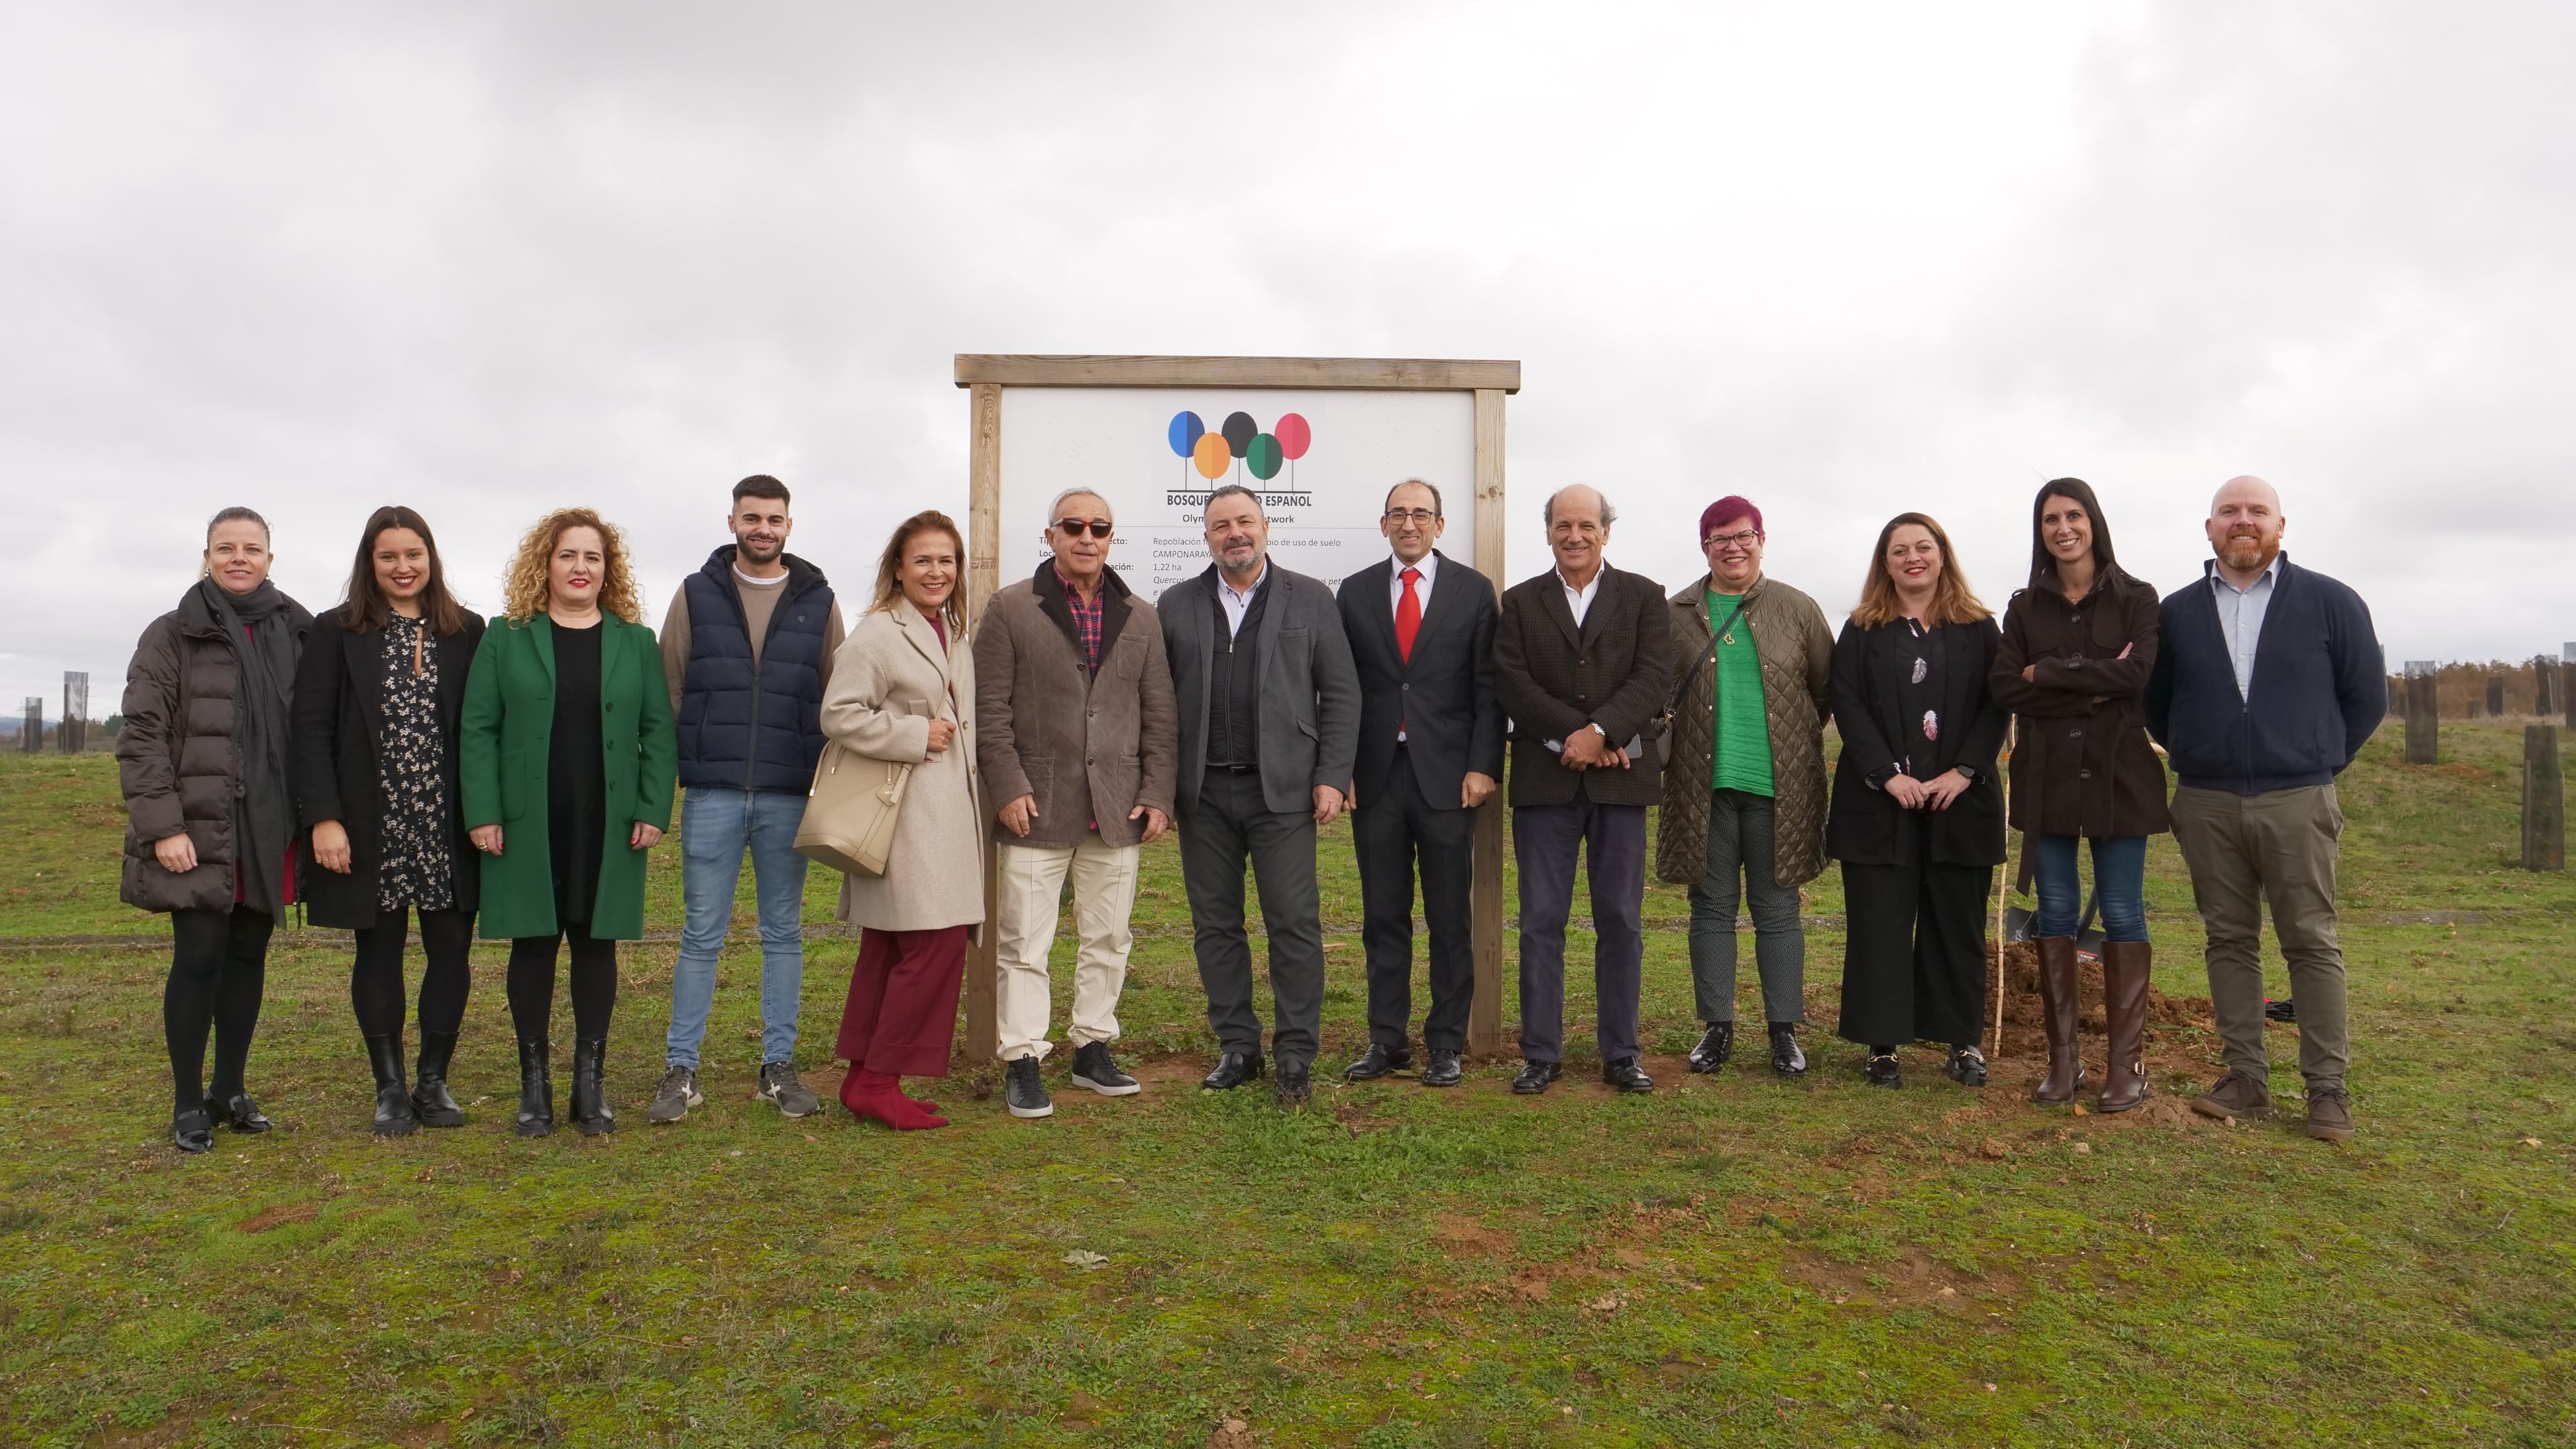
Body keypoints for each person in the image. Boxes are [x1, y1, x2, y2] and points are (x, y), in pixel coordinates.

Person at [2145, 476, 2384, 1142]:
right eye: (2229, 512)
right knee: (2228, 939)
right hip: (2207, 801)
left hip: (2297, 798)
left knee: (2311, 941)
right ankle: (2245, 1078)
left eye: (2256, 511)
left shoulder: (2330, 602)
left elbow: (2367, 698)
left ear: (2281, 525)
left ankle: (2327, 1092)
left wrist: (2315, 762)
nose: (2242, 521)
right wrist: (2201, 750)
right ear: (2209, 528)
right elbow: (2156, 702)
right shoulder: (2177, 613)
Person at [461, 508, 676, 1138]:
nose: (581, 568)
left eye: (593, 558)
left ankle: (591, 1083)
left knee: (594, 942)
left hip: (607, 820)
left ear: (608, 571)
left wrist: (652, 808)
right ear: (544, 565)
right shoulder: (506, 636)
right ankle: (535, 1086)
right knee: (532, 944)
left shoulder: (635, 641)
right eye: (568, 556)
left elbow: (657, 731)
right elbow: (478, 729)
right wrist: (484, 813)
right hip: (527, 820)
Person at [647, 475, 846, 1126]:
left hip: (789, 793)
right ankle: (682, 1070)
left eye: (775, 519)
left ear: (790, 525)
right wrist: (681, 772)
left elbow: (835, 698)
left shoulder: (819, 602)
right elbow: (669, 688)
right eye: (752, 517)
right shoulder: (695, 594)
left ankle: (777, 1067)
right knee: (701, 934)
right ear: (732, 520)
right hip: (711, 794)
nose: (764, 528)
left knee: (783, 932)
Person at [975, 489, 1177, 1118]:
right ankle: (1024, 1058)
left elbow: (1161, 716)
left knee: (1109, 937)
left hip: (1117, 808)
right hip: (1036, 804)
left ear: (1110, 537)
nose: (1087, 537)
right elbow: (989, 710)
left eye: (1100, 527)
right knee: (1024, 942)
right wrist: (1008, 785)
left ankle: (1092, 1047)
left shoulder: (1141, 616)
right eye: (1074, 526)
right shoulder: (1010, 608)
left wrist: (1157, 793)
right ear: (1052, 535)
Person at [118, 507, 312, 1153]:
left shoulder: (298, 628)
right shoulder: (172, 634)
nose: (238, 558)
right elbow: (141, 738)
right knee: (199, 956)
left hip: (269, 826)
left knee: (249, 955)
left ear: (269, 559)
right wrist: (163, 829)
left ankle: (229, 1088)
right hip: (197, 828)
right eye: (224, 548)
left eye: (251, 548)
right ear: (206, 556)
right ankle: (185, 1102)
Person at [1161, 483, 1360, 1106]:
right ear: (1207, 536)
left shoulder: (1311, 599)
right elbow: (1157, 705)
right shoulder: (1175, 604)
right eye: (1221, 525)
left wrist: (1331, 775)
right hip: (1204, 794)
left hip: (1285, 793)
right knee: (1216, 926)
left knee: (1294, 924)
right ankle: (1238, 1047)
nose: (1234, 534)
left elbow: (1343, 695)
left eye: (1244, 521)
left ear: (1266, 526)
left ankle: (1296, 1053)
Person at [291, 506, 487, 1136]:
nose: (403, 567)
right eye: (388, 556)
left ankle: (433, 1081)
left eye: (413, 555)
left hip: (447, 821)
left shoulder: (468, 631)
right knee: (377, 951)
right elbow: (311, 731)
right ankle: (389, 1087)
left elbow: (484, 730)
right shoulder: (336, 632)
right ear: (369, 563)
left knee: (450, 948)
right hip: (369, 821)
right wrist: (324, 818)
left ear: (431, 558)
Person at [1990, 479, 2169, 1112]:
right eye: (2049, 520)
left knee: (2123, 912)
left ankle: (2126, 1067)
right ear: (2039, 532)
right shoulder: (2023, 608)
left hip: (2118, 775)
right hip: (2047, 778)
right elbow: (2007, 687)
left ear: (2093, 521)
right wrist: (2094, 686)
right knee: (2058, 912)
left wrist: (2055, 674)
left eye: (2073, 516)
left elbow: (2137, 674)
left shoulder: (2139, 599)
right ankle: (2062, 1064)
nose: (2062, 528)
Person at [1493, 484, 1670, 1095]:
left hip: (1622, 782)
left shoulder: (1646, 597)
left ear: (1606, 531)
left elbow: (1655, 676)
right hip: (1546, 785)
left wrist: (1603, 731)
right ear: (1547, 532)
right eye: (1563, 525)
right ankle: (1541, 1053)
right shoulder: (1518, 604)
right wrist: (1574, 735)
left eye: (1586, 525)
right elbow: (1511, 683)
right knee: (1542, 920)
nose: (1575, 535)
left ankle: (1621, 1053)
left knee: (1620, 919)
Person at [1655, 496, 1835, 1079]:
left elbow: (1824, 691)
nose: (1733, 546)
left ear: (1762, 538)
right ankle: (1718, 1028)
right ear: (1704, 545)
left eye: (1744, 535)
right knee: (1710, 906)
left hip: (1779, 787)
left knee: (1778, 906)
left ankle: (1783, 1032)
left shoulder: (1798, 609)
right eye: (1719, 538)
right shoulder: (1676, 612)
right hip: (1700, 785)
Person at [1827, 513, 2006, 1089]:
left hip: (1960, 802)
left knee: (1956, 924)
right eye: (1899, 550)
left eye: (1923, 547)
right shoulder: (1862, 629)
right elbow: (1846, 702)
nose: (1912, 558)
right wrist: (1885, 774)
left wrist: (1967, 771)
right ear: (1885, 562)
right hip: (1882, 805)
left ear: (1942, 554)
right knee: (1881, 924)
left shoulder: (1980, 628)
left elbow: (1995, 703)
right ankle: (1883, 1044)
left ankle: (1962, 1042)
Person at [1336, 479, 1503, 1088]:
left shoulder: (1473, 591)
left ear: (1440, 524)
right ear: (1384, 525)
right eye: (1399, 515)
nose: (1410, 524)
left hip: (1449, 780)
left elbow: (1489, 688)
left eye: (1421, 514)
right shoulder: (1353, 593)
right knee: (1383, 915)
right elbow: (1342, 688)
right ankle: (1387, 1041)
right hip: (1375, 777)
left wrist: (1483, 765)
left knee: (1449, 918)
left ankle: (1445, 1044)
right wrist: (1340, 769)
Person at [823, 509, 985, 1131]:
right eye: (923, 559)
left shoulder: (953, 632)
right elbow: (838, 714)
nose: (936, 571)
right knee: (933, 946)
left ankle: (862, 1078)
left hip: (946, 816)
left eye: (947, 560)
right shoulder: (876, 635)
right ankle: (881, 1082)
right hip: (904, 816)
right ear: (898, 567)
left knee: (891, 949)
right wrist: (916, 733)